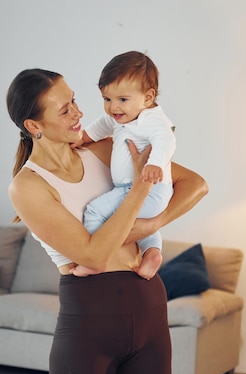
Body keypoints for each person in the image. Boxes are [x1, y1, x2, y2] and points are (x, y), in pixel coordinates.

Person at [6, 68, 207, 374]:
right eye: (64, 109)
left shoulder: (102, 150)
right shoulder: (29, 186)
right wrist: (141, 188)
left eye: (74, 101)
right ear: (34, 126)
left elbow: (195, 184)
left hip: (148, 310)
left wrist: (152, 224)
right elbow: (95, 257)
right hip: (89, 322)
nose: (78, 113)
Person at [70, 51, 175, 279]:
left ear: (148, 97)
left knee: (96, 211)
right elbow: (96, 129)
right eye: (107, 99)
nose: (113, 107)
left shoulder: (151, 119)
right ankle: (152, 254)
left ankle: (96, 259)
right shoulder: (122, 116)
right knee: (140, 224)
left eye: (122, 100)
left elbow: (165, 139)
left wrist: (155, 164)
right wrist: (81, 139)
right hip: (142, 192)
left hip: (147, 189)